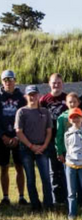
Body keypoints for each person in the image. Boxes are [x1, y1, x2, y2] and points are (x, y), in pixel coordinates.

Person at [15, 85, 54, 211]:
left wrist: (44, 146)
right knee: (30, 178)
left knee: (46, 178)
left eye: (35, 94)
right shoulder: (21, 112)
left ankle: (48, 205)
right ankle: (35, 205)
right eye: (30, 95)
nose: (33, 97)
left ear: (39, 95)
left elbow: (49, 131)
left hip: (43, 148)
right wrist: (31, 146)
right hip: (26, 149)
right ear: (26, 96)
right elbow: (19, 132)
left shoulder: (45, 112)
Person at [39, 73, 68, 204]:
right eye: (54, 83)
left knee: (67, 169)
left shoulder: (67, 98)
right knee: (54, 170)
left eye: (59, 82)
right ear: (49, 84)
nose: (56, 85)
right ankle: (57, 199)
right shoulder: (44, 100)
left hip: (66, 139)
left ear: (62, 83)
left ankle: (69, 197)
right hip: (50, 139)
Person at [0, 70, 26, 205]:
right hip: (2, 138)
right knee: (4, 167)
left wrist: (17, 136)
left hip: (18, 137)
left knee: (19, 166)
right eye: (5, 80)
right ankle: (5, 197)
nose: (8, 82)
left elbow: (25, 118)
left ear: (15, 80)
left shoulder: (21, 98)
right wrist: (2, 135)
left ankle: (21, 197)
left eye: (10, 79)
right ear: (2, 82)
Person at [56, 93, 82, 165]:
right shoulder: (62, 118)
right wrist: (59, 152)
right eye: (70, 102)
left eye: (74, 102)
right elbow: (59, 136)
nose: (72, 104)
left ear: (78, 102)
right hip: (67, 151)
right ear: (66, 103)